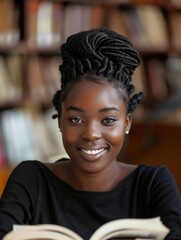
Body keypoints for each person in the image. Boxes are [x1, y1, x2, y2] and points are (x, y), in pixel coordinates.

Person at [0, 28, 181, 240]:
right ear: (60, 121)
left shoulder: (152, 184)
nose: (91, 134)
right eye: (76, 120)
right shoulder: (31, 180)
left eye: (108, 120)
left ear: (126, 123)